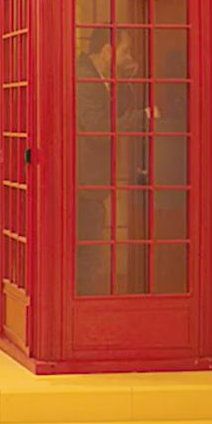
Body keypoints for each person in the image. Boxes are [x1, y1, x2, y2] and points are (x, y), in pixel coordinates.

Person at [74, 30, 157, 295]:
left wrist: (126, 81)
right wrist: (144, 117)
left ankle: (83, 312)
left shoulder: (101, 78)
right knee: (87, 257)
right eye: (125, 52)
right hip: (81, 184)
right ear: (108, 50)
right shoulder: (85, 78)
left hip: (88, 182)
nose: (128, 57)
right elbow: (99, 128)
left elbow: (114, 112)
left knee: (88, 256)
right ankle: (83, 317)